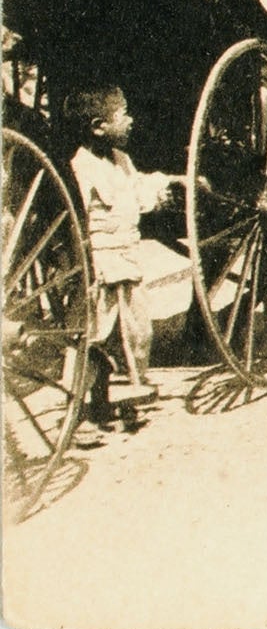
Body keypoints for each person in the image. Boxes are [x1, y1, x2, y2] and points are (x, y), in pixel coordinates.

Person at [67, 85, 179, 430]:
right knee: (94, 337)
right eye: (123, 115)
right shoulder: (81, 168)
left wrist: (171, 184)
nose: (130, 121)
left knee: (135, 332)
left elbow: (139, 190)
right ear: (99, 126)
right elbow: (76, 221)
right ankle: (82, 413)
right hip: (101, 265)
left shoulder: (122, 161)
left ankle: (122, 394)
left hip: (128, 262)